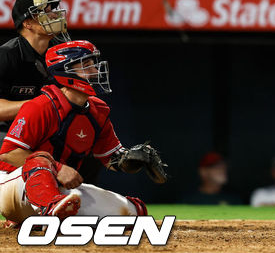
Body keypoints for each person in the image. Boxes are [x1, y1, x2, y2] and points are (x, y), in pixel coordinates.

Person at [0, 40, 166, 225]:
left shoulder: (98, 110)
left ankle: (44, 213)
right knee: (41, 160)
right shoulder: (40, 106)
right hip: (13, 186)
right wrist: (58, 168)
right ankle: (45, 212)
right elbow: (8, 153)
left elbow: (112, 159)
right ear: (65, 70)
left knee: (132, 212)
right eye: (86, 66)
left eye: (94, 65)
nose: (95, 71)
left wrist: (133, 159)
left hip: (58, 189)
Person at [0, 0, 70, 144]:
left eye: (53, 10)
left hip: (48, 131)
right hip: (10, 132)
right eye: (45, 11)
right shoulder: (6, 55)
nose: (54, 15)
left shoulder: (63, 51)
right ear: (27, 23)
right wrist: (42, 104)